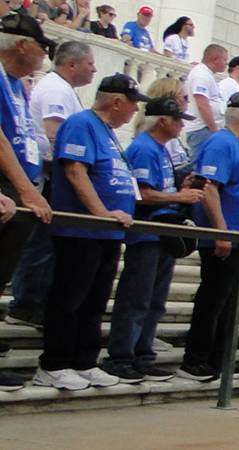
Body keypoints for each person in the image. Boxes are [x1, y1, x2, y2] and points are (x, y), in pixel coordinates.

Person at [32, 74, 145, 390]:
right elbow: (74, 170)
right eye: (133, 103)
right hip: (83, 230)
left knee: (94, 301)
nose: (135, 110)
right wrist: (101, 213)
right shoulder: (82, 123)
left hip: (107, 233)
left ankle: (84, 361)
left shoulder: (107, 131)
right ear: (117, 101)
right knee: (69, 298)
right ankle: (55, 363)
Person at [102, 97, 201, 384]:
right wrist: (179, 197)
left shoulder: (159, 150)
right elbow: (142, 193)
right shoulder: (145, 148)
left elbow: (158, 189)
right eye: (178, 119)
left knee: (154, 301)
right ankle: (122, 356)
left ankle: (142, 354)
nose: (182, 125)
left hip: (162, 232)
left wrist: (178, 191)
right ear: (162, 121)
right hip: (147, 232)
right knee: (137, 298)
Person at [179, 91, 239, 382]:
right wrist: (220, 231)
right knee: (214, 299)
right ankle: (197, 360)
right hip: (226, 238)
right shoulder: (221, 142)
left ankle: (219, 359)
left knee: (228, 303)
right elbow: (209, 187)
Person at [6, 39, 91, 329]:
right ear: (72, 64)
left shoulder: (59, 88)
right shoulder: (55, 88)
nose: (93, 70)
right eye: (89, 64)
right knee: (39, 245)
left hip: (36, 176)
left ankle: (30, 299)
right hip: (43, 177)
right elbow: (54, 135)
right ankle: (26, 301)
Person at [0, 12, 57, 332]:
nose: (44, 54)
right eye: (41, 47)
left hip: (18, 183)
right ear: (21, 45)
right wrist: (26, 189)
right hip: (8, 186)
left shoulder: (17, 85)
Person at [181, 44, 227, 153]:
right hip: (201, 129)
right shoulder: (201, 75)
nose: (226, 63)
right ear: (215, 59)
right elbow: (202, 104)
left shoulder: (207, 74)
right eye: (225, 60)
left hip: (205, 129)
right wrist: (214, 130)